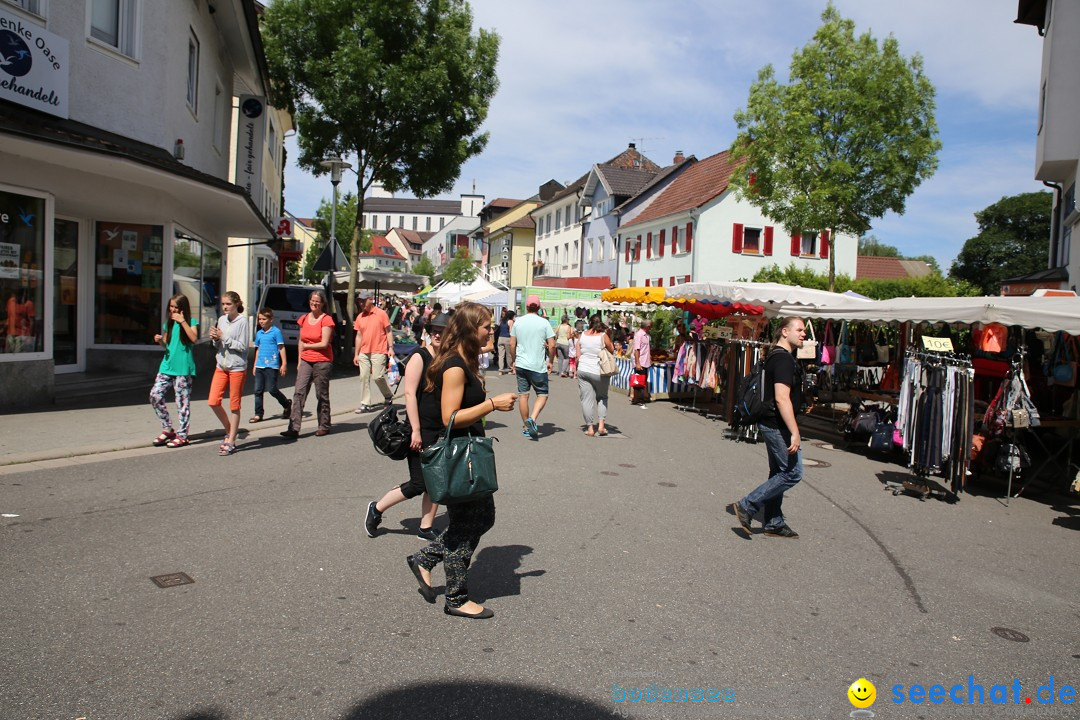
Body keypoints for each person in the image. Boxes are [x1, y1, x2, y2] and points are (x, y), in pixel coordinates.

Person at [405, 302, 517, 619]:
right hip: (458, 454)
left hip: (469, 452)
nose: (491, 330)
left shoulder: (466, 362)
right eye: (486, 326)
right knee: (466, 524)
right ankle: (455, 597)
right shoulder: (454, 366)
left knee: (483, 517)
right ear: (471, 329)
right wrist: (492, 404)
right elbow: (449, 416)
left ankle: (426, 558)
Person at [365, 313, 450, 541]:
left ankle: (425, 527)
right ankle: (377, 508)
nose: (438, 334)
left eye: (443, 331)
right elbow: (410, 394)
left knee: (436, 481)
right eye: (434, 330)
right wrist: (415, 430)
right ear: (429, 332)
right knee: (418, 482)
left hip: (439, 429)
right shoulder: (419, 356)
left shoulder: (447, 358)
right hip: (420, 429)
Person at [730, 316, 807, 539]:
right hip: (777, 424)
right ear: (785, 331)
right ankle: (747, 504)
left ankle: (773, 521)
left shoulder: (776, 356)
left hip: (771, 422)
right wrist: (795, 431)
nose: (804, 334)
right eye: (800, 330)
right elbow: (782, 398)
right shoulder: (782, 360)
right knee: (793, 472)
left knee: (778, 472)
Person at [281, 289, 335, 438]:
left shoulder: (326, 320)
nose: (314, 303)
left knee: (321, 394)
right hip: (306, 360)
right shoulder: (304, 318)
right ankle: (293, 427)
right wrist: (299, 360)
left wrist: (307, 346)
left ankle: (324, 425)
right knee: (299, 392)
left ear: (323, 303)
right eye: (312, 300)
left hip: (322, 361)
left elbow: (324, 343)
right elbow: (301, 340)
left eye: (318, 301)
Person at [150, 294, 199, 448]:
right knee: (155, 396)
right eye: (171, 307)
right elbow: (167, 345)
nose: (173, 310)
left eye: (176, 307)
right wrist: (160, 341)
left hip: (183, 369)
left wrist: (182, 321)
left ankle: (183, 435)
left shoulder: (191, 322)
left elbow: (194, 339)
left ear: (183, 308)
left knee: (182, 403)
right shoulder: (168, 324)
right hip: (167, 366)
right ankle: (168, 429)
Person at [207, 291, 250, 455]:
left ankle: (231, 440)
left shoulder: (242, 321)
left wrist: (223, 337)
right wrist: (215, 339)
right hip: (221, 366)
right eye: (223, 304)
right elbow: (218, 345)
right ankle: (230, 430)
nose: (225, 307)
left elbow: (243, 347)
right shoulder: (221, 320)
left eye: (228, 304)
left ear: (236, 304)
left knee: (234, 405)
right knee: (213, 401)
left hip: (237, 367)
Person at [510, 295, 555, 440]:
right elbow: (552, 344)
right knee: (542, 394)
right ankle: (532, 419)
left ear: (527, 307)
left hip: (522, 363)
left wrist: (513, 360)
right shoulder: (544, 323)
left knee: (523, 395)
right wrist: (551, 361)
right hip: (537, 364)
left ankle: (525, 426)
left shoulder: (518, 322)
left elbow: (512, 344)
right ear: (539, 307)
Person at [353, 293, 395, 413]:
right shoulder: (360, 317)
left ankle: (387, 395)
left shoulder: (381, 314)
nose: (361, 304)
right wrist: (356, 353)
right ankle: (365, 403)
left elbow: (389, 332)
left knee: (377, 377)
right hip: (364, 351)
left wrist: (390, 348)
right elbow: (358, 336)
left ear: (370, 300)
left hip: (379, 350)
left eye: (363, 301)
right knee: (364, 377)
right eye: (359, 301)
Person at [576, 313, 615, 437]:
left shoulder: (582, 335)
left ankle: (590, 428)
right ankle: (601, 427)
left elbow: (578, 356)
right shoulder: (603, 336)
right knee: (602, 397)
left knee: (586, 400)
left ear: (590, 322)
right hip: (599, 371)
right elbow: (612, 349)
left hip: (583, 370)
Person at [250, 307, 291, 423]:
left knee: (272, 389)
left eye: (263, 319)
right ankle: (258, 414)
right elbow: (258, 349)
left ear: (271, 319)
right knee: (258, 390)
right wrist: (254, 365)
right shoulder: (259, 333)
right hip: (260, 366)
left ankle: (286, 404)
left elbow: (281, 347)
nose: (261, 321)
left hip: (272, 365)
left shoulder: (276, 332)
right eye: (259, 319)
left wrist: (284, 363)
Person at [630, 318, 653, 407]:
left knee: (642, 380)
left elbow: (646, 349)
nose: (650, 328)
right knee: (639, 381)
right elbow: (637, 350)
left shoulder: (646, 336)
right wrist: (637, 363)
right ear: (647, 326)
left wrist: (649, 358)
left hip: (645, 361)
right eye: (650, 326)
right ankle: (638, 398)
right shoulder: (639, 335)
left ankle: (638, 398)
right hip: (641, 362)